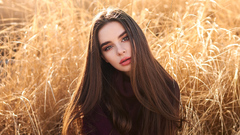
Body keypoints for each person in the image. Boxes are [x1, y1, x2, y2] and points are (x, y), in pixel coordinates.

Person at [62, 8, 182, 135]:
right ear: (103, 57)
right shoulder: (96, 95)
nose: (120, 51)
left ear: (138, 38)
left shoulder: (168, 88)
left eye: (125, 38)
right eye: (108, 47)